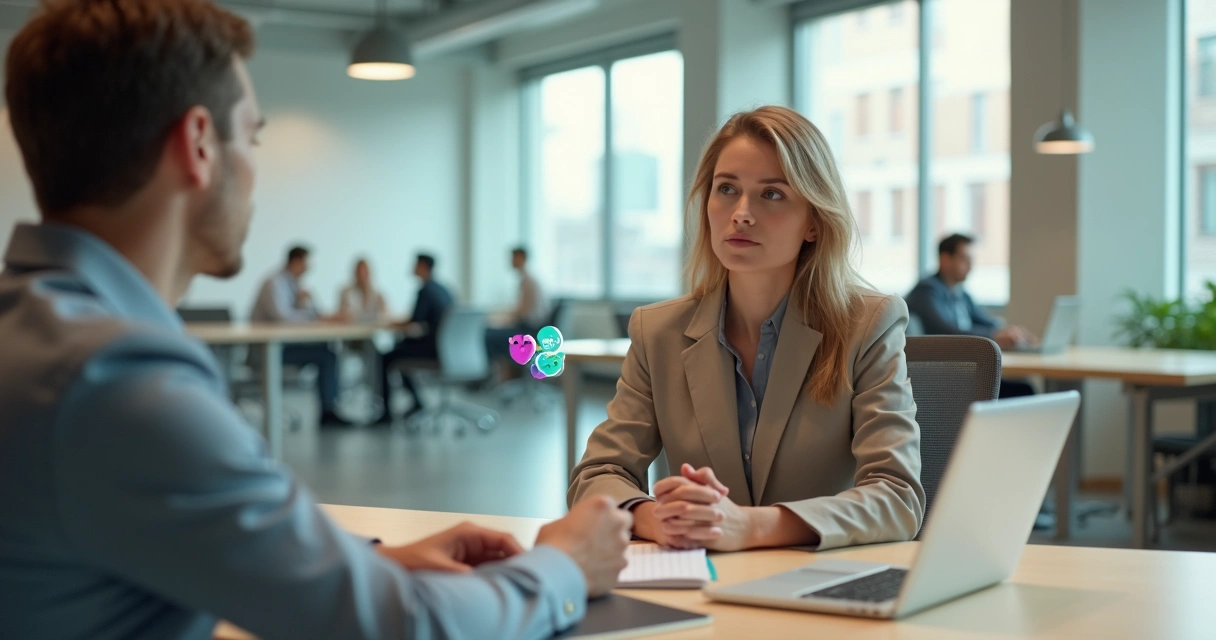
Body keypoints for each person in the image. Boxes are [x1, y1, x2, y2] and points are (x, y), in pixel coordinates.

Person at [0, 2, 631, 638]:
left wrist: (370, 562)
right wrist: (566, 567)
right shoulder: (115, 381)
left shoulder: (36, 335)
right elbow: (398, 628)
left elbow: (173, 542)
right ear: (197, 145)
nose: (255, 167)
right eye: (253, 136)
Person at [568, 106, 925, 552]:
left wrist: (750, 526)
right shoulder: (657, 330)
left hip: (818, 583)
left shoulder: (868, 324)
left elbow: (897, 496)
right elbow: (597, 475)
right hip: (701, 587)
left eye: (771, 194)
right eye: (726, 189)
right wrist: (659, 519)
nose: (741, 213)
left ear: (814, 221)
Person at [905, 234, 1037, 398]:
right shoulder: (926, 292)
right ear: (945, 259)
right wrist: (995, 336)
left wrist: (1013, 332)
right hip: (944, 380)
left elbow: (987, 321)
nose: (970, 265)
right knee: (1023, 391)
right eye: (964, 259)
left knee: (1025, 389)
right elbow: (949, 332)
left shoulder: (960, 294)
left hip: (964, 372)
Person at [252, 245, 353, 426]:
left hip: (283, 345)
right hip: (268, 350)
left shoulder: (294, 284)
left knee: (327, 352)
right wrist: (316, 317)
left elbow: (300, 314)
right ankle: (328, 411)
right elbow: (282, 317)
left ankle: (329, 408)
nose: (309, 268)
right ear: (296, 262)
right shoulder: (275, 283)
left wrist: (306, 302)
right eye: (307, 263)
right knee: (326, 356)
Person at [377, 253, 454, 422]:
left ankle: (386, 413)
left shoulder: (425, 291)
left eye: (415, 265)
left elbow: (415, 320)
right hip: (449, 350)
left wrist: (395, 325)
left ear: (423, 267)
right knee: (401, 349)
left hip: (435, 350)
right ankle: (416, 401)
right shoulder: (444, 289)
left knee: (386, 357)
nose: (412, 268)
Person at [485, 246, 550, 372]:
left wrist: (502, 318)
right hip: (536, 329)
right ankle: (508, 374)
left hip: (530, 330)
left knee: (488, 335)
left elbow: (523, 312)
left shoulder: (527, 281)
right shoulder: (531, 278)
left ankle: (496, 376)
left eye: (514, 258)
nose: (511, 261)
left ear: (522, 258)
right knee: (494, 332)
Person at [339, 257, 388, 323]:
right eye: (359, 272)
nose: (362, 275)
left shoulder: (377, 296)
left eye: (364, 272)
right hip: (351, 331)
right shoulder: (346, 293)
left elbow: (385, 314)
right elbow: (343, 315)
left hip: (372, 331)